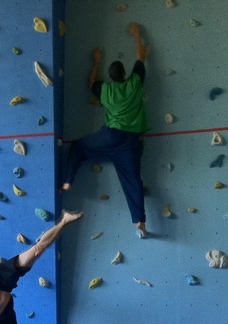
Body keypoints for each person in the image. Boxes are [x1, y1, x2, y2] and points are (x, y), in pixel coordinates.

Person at [61, 22, 149, 238]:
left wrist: (96, 60)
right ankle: (140, 221)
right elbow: (140, 57)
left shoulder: (106, 90)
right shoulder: (135, 82)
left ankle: (67, 181)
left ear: (111, 77)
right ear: (125, 74)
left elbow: (91, 81)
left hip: (110, 137)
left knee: (79, 147)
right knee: (133, 181)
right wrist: (136, 35)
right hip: (130, 142)